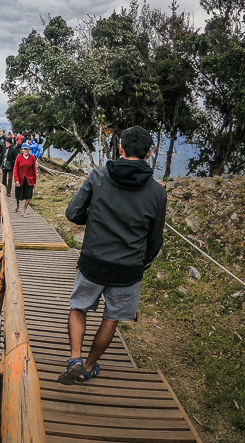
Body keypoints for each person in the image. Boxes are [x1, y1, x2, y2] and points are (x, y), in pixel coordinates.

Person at [58, 126, 167, 385]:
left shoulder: (98, 176)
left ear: (120, 149)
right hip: (128, 268)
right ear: (149, 154)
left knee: (78, 307)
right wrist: (144, 262)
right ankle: (88, 366)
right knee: (112, 317)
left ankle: (74, 358)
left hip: (93, 260)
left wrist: (95, 219)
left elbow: (73, 213)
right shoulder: (157, 192)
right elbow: (155, 238)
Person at [13, 142, 36, 217]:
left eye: (27, 149)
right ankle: (17, 206)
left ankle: (23, 211)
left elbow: (34, 170)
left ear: (29, 150)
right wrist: (16, 180)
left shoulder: (32, 157)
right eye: (24, 149)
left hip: (29, 180)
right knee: (18, 195)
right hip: (20, 179)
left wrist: (34, 182)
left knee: (28, 196)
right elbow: (15, 169)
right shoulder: (19, 157)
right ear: (22, 150)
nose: (26, 151)